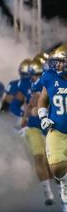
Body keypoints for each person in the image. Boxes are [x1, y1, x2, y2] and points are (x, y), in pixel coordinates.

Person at [21, 58, 55, 206]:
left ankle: (59, 190)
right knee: (39, 158)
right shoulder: (37, 86)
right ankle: (48, 192)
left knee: (54, 164)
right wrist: (25, 119)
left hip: (53, 128)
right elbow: (31, 107)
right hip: (35, 127)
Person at [38, 44, 67, 211]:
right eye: (56, 62)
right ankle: (64, 185)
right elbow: (43, 98)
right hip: (56, 129)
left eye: (62, 62)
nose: (58, 66)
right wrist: (43, 116)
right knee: (56, 168)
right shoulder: (49, 77)